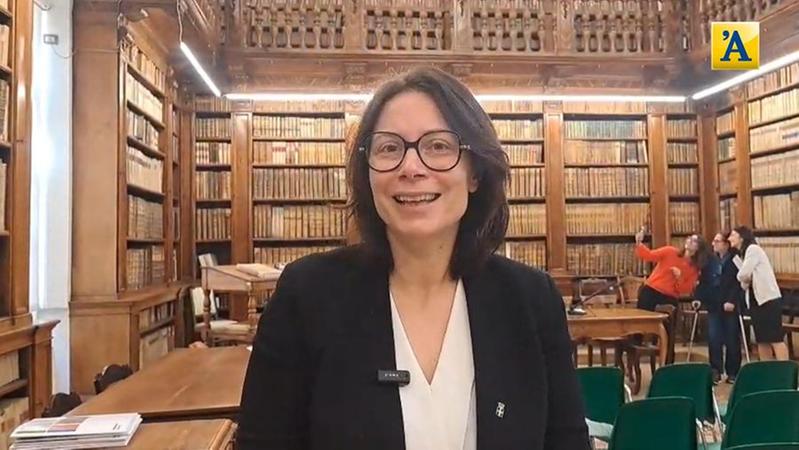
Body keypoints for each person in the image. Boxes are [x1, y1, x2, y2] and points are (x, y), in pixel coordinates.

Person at [236, 67, 590, 450]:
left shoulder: (532, 300)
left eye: (437, 146)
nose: (411, 168)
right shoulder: (306, 296)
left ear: (475, 173)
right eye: (389, 148)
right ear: (367, 174)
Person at [730, 226, 789, 361]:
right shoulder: (743, 254)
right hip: (756, 301)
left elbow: (743, 274)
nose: (729, 238)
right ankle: (766, 369)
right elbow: (744, 283)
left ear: (741, 237)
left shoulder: (753, 249)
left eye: (733, 235)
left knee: (775, 338)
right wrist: (744, 278)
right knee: (762, 339)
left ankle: (785, 369)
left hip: (767, 300)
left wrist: (743, 277)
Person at [696, 232, 743, 383]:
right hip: (714, 304)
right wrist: (698, 298)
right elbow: (703, 281)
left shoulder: (735, 259)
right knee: (713, 337)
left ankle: (733, 372)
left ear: (726, 244)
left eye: (717, 241)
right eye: (713, 241)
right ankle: (715, 370)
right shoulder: (710, 260)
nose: (713, 244)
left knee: (731, 338)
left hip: (730, 304)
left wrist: (732, 300)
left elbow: (740, 283)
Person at [633, 231, 708, 311]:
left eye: (694, 241)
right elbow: (648, 255)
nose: (690, 241)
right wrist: (639, 243)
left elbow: (685, 290)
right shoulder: (670, 251)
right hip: (651, 290)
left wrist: (680, 277)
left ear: (699, 248)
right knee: (643, 317)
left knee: (668, 315)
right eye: (690, 238)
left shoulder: (694, 269)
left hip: (669, 297)